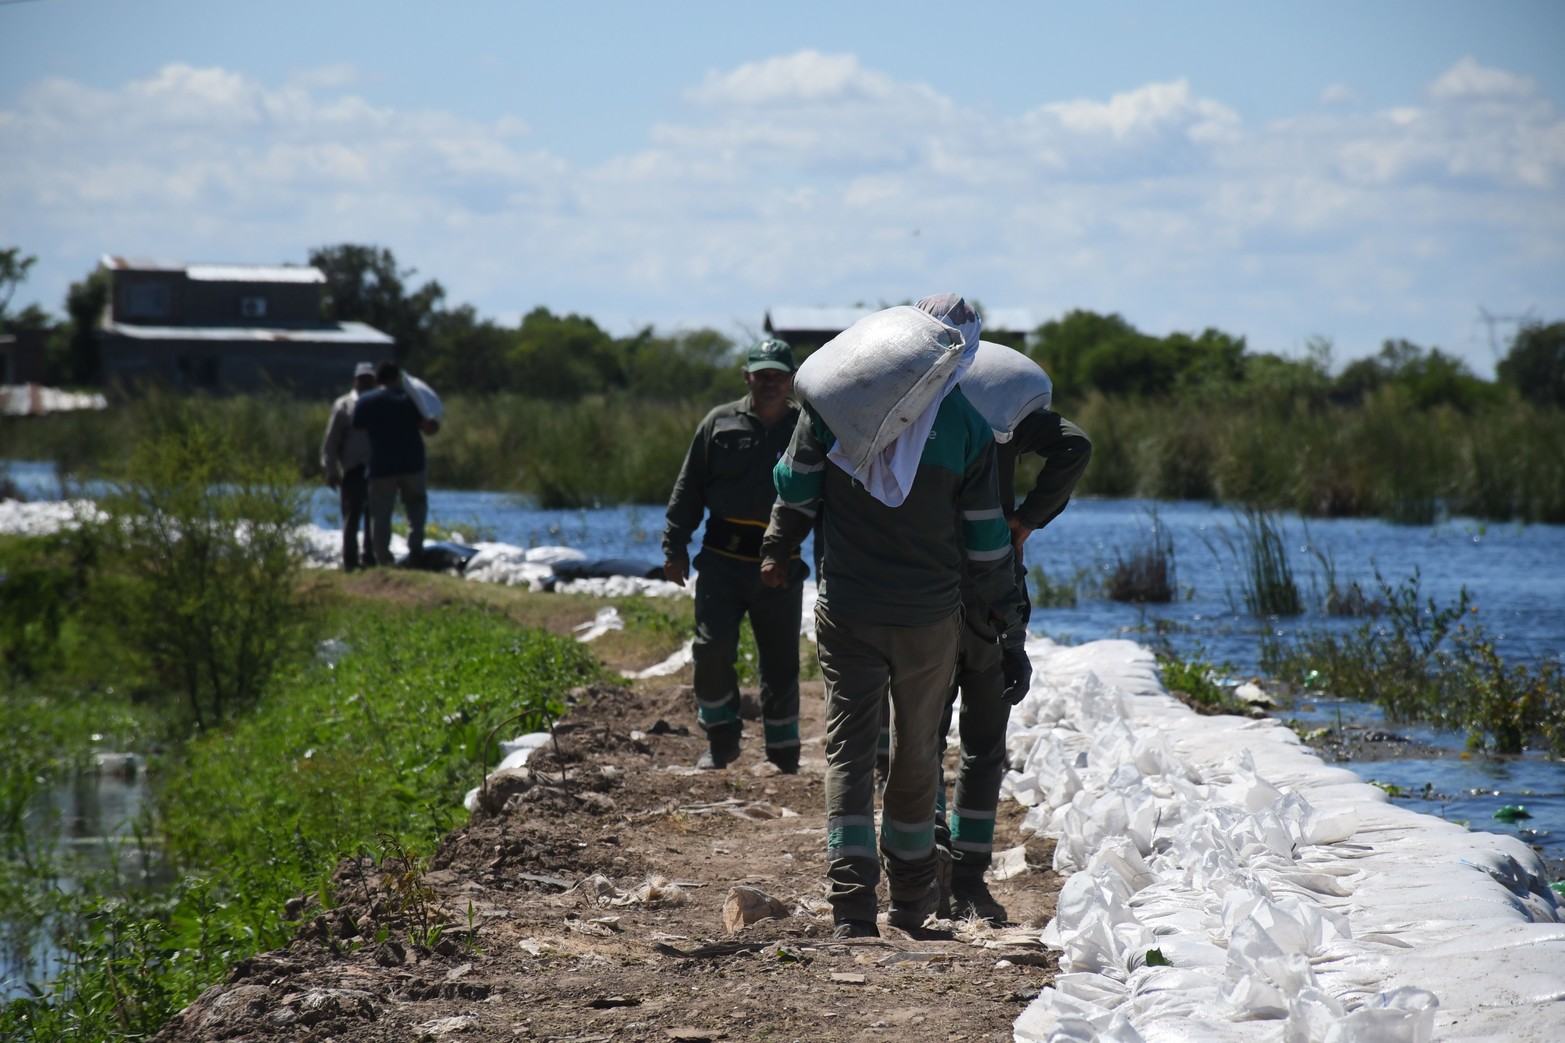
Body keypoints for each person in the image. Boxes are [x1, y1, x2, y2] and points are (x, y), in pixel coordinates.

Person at [760, 297, 1028, 939]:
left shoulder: (834, 404)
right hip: (930, 620)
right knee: (915, 753)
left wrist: (778, 543)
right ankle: (909, 900)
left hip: (848, 607)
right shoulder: (965, 424)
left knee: (849, 750)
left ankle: (852, 906)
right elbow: (986, 541)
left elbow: (795, 489)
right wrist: (1006, 622)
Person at [935, 348, 1093, 926]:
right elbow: (1074, 444)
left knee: (921, 736)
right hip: (992, 582)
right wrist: (1027, 517)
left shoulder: (913, 398)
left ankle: (926, 867)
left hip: (926, 582)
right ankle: (970, 874)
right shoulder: (1003, 397)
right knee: (983, 738)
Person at [662, 338, 805, 772]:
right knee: (710, 650)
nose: (770, 383)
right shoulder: (718, 423)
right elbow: (688, 489)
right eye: (762, 375)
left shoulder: (807, 428)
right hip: (721, 562)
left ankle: (783, 755)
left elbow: (825, 499)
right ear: (747, 377)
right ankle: (722, 737)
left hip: (781, 566)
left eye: (778, 375)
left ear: (791, 380)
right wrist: (675, 546)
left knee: (780, 663)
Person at [351, 360, 439, 567]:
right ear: (397, 378)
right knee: (416, 508)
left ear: (378, 379)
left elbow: (357, 425)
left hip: (381, 466)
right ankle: (416, 552)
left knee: (381, 514)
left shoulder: (367, 401)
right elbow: (429, 425)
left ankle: (384, 560)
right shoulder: (411, 400)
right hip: (413, 465)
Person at [320, 362, 378, 572]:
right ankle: (350, 562)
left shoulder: (379, 403)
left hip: (377, 470)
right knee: (351, 518)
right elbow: (331, 441)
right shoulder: (344, 405)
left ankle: (370, 559)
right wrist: (331, 470)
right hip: (353, 469)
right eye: (362, 378)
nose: (366, 382)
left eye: (369, 378)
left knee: (375, 517)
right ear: (355, 380)